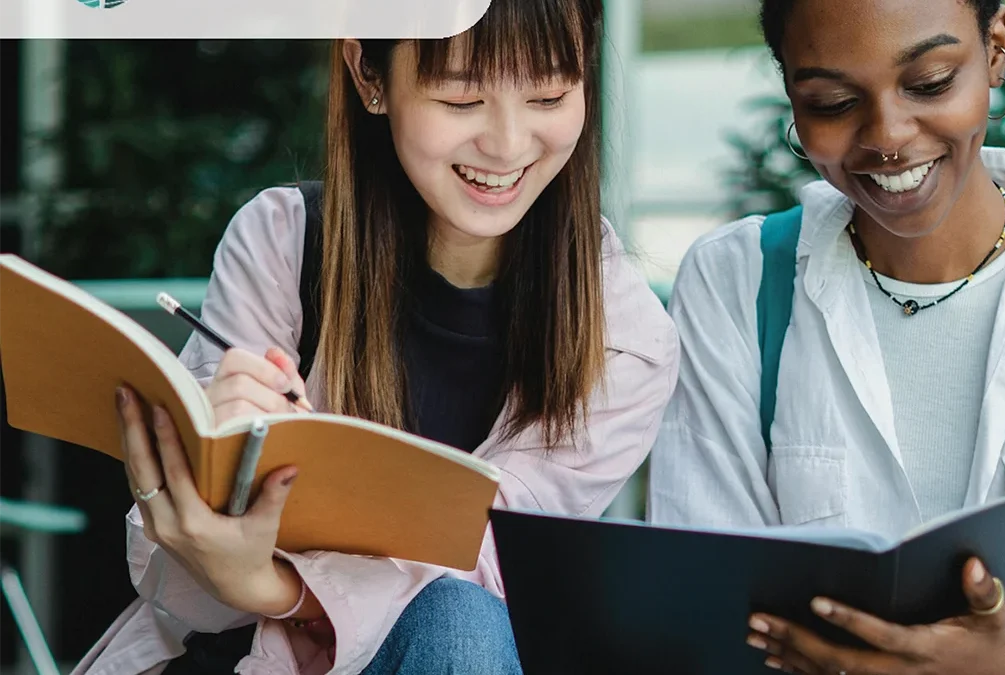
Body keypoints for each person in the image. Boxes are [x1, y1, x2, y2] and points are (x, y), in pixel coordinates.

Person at [71, 1, 680, 673]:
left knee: (461, 619)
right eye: (462, 98)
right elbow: (184, 582)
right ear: (368, 73)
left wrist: (275, 584)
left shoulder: (619, 336)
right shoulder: (284, 243)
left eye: (548, 96)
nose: (508, 144)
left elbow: (480, 563)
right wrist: (203, 470)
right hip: (230, 658)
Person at [647, 0, 1005, 673]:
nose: (888, 136)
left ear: (996, 47)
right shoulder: (739, 284)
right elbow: (704, 622)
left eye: (930, 83)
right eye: (833, 102)